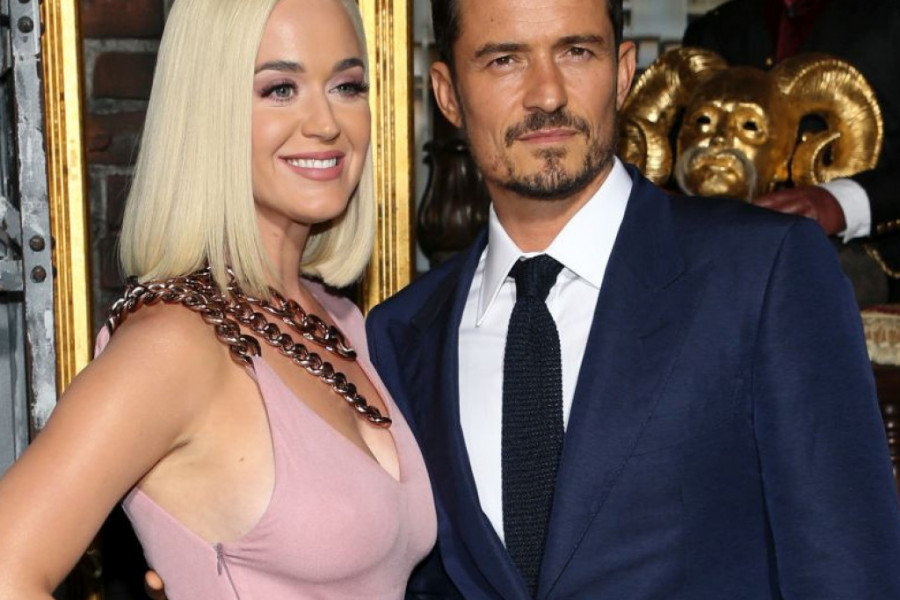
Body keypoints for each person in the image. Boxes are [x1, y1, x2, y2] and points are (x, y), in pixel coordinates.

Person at [365, 0, 900, 598]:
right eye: (505, 60)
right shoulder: (403, 334)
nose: (547, 94)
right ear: (447, 93)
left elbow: (847, 569)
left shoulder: (764, 272)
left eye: (576, 52)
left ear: (623, 72)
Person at [0, 0, 435, 598]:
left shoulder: (341, 320)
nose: (326, 123)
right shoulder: (172, 344)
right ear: (208, 109)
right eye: (280, 89)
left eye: (346, 85)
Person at [683, 0, 900, 276]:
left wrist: (842, 203)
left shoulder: (890, 14)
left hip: (872, 268)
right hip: (730, 260)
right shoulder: (717, 27)